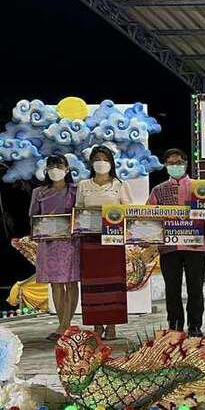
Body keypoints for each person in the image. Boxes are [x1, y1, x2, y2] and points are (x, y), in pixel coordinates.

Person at [148, 148, 205, 337]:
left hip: (196, 245)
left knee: (195, 288)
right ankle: (174, 325)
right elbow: (149, 217)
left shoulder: (200, 188)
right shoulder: (158, 190)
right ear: (165, 166)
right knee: (172, 288)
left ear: (186, 163)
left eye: (179, 162)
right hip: (169, 246)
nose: (175, 166)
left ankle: (195, 326)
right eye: (171, 163)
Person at [76, 145, 131, 339]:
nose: (101, 162)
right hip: (89, 243)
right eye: (97, 159)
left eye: (105, 159)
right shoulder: (83, 185)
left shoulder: (120, 184)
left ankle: (112, 325)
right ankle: (97, 325)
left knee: (113, 283)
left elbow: (129, 212)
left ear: (111, 163)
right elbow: (78, 211)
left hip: (113, 242)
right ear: (91, 163)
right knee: (92, 284)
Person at [29, 154, 79, 340]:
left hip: (70, 244)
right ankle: (63, 325)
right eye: (51, 166)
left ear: (67, 169)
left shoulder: (75, 190)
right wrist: (38, 230)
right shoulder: (39, 192)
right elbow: (33, 217)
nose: (55, 169)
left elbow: (81, 215)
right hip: (48, 244)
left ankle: (65, 325)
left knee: (71, 283)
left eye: (59, 165)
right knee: (56, 285)